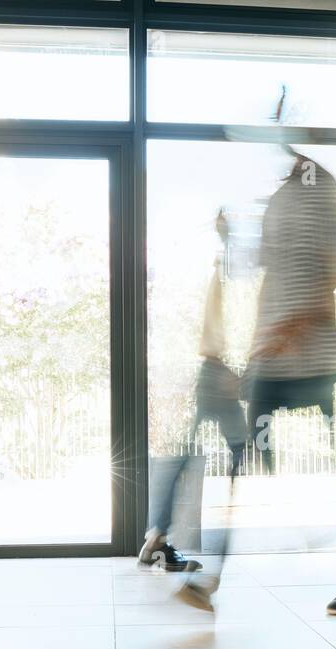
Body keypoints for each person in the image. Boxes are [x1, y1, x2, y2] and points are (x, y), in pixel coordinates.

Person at [244, 142, 336, 615]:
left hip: (311, 350)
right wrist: (259, 344)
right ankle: (210, 581)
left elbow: (331, 275)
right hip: (271, 352)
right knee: (248, 453)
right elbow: (268, 278)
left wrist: (291, 328)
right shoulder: (279, 197)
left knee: (335, 462)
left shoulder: (323, 191)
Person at [138, 210, 251, 611]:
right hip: (221, 373)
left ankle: (160, 535)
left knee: (192, 453)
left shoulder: (230, 279)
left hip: (216, 371)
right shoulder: (238, 278)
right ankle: (199, 573)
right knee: (237, 462)